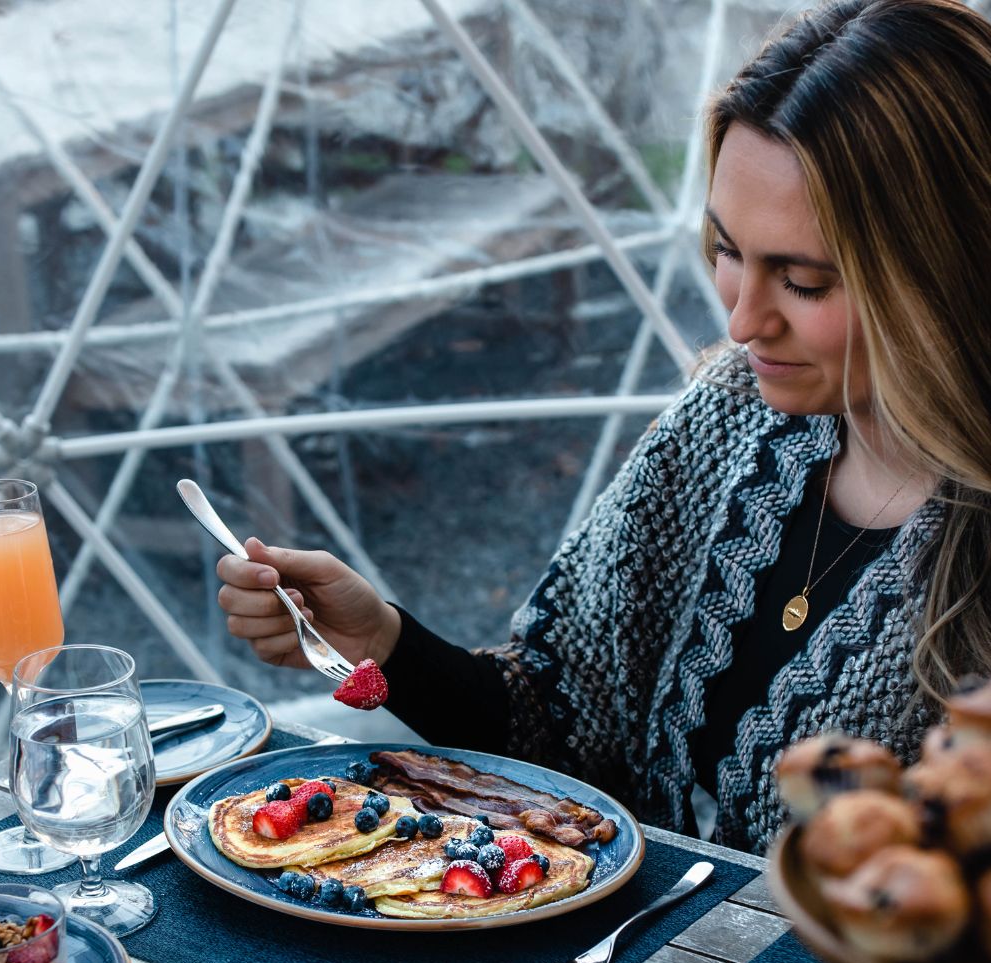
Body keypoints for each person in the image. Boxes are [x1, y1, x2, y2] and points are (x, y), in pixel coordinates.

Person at [217, 0, 991, 854]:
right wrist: (385, 644)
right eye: (729, 250)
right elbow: (555, 722)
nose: (741, 322)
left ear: (945, 270)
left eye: (804, 282)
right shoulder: (728, 420)